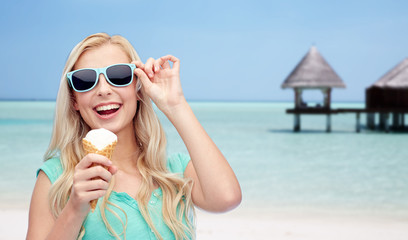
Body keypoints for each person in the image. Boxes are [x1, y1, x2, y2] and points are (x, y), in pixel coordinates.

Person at [26, 33, 242, 240]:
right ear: (74, 100)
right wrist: (74, 208)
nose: (103, 90)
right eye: (85, 80)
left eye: (118, 75)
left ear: (138, 87)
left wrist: (176, 106)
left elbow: (227, 198)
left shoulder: (174, 171)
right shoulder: (57, 178)